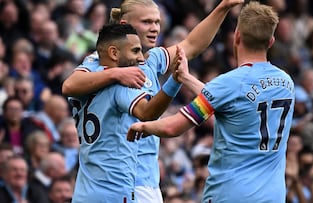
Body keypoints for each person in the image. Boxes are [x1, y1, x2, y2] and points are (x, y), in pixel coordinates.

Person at [62, 0, 243, 202]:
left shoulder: (151, 59)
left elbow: (191, 45)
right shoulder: (104, 64)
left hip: (134, 180)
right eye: (147, 22)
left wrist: (223, 7)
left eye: (157, 22)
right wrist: (117, 74)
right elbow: (69, 85)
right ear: (125, 25)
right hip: (124, 182)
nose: (155, 28)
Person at [127, 2, 295, 202]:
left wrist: (144, 126)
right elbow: (233, 101)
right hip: (272, 196)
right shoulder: (286, 83)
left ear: (237, 36)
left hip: (231, 194)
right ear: (271, 41)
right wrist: (187, 79)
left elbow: (174, 127)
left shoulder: (229, 83)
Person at [70, 23, 186, 203]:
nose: (141, 58)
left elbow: (68, 86)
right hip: (115, 189)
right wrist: (175, 81)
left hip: (84, 191)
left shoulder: (86, 77)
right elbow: (147, 113)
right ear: (114, 53)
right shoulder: (121, 81)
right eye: (135, 51)